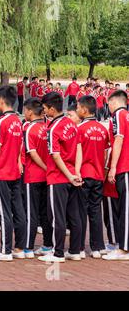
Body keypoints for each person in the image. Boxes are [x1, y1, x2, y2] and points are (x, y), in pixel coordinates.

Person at [38, 92, 83, 263]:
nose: (43, 112)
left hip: (59, 177)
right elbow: (79, 147)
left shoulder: (53, 128)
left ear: (51, 108)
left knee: (57, 216)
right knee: (74, 215)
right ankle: (75, 250)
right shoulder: (71, 124)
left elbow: (56, 156)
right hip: (72, 174)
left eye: (44, 109)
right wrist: (76, 172)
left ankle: (58, 253)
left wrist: (69, 175)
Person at [0, 86, 26, 262]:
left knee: (3, 212)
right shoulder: (18, 120)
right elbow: (18, 147)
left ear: (1, 101)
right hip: (15, 172)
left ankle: (5, 250)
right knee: (18, 210)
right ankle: (19, 248)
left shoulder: (2, 122)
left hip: (2, 172)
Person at [76, 95, 109, 259]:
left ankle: (80, 247)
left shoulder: (80, 129)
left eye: (77, 107)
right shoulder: (102, 129)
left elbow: (78, 154)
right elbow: (105, 151)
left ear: (84, 109)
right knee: (96, 211)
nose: (76, 110)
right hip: (98, 174)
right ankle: (97, 247)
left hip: (84, 174)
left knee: (81, 211)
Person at [22, 98, 53, 257]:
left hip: (33, 176)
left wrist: (44, 167)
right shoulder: (47, 128)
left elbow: (32, 153)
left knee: (31, 212)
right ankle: (47, 245)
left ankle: (28, 246)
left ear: (29, 111)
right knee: (45, 213)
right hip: (47, 177)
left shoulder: (30, 129)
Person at [105, 90, 129, 260]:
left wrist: (112, 166)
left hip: (124, 166)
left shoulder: (119, 115)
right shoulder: (126, 115)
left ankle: (124, 249)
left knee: (125, 209)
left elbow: (118, 139)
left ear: (113, 102)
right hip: (124, 166)